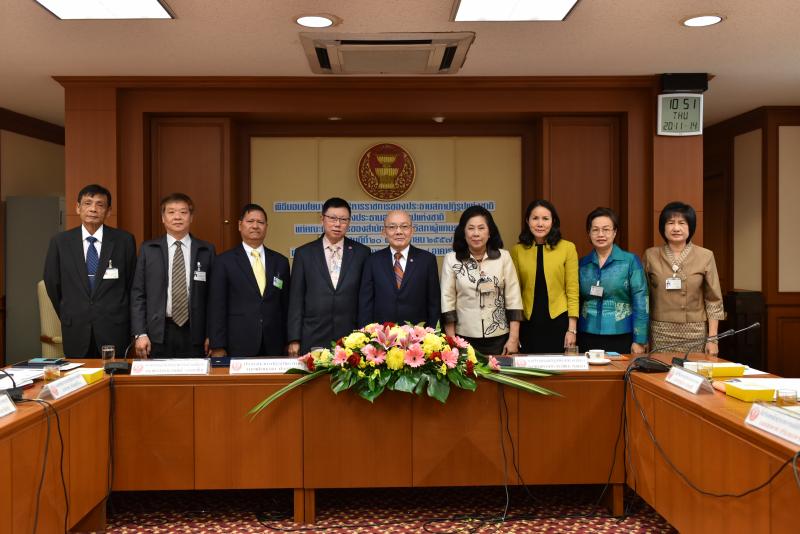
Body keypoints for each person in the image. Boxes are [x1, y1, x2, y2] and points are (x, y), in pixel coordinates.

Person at [43, 184, 137, 357]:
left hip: (114, 328)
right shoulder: (60, 242)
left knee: (114, 373)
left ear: (108, 211)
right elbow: (52, 283)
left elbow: (132, 284)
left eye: (100, 205)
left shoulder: (124, 241)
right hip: (76, 327)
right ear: (77, 207)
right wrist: (69, 311)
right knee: (79, 373)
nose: (93, 209)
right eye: (87, 203)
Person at [130, 193, 215, 358]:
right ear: (163, 218)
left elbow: (213, 297)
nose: (177, 217)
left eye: (183, 212)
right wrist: (140, 333)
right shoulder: (148, 249)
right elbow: (138, 294)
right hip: (158, 333)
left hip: (196, 333)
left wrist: (212, 334)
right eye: (171, 212)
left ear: (191, 217)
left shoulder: (206, 250)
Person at [287, 198, 370, 356]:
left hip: (351, 338)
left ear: (349, 222)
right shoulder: (304, 254)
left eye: (343, 219)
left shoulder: (362, 253)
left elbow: (365, 298)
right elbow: (296, 299)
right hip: (313, 335)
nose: (337, 224)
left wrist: (365, 335)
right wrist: (294, 339)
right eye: (332, 218)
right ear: (322, 219)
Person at [207, 204, 290, 357]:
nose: (255, 226)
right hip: (238, 343)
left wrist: (290, 340)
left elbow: (286, 306)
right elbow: (217, 306)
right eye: (250, 221)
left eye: (260, 222)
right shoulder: (223, 261)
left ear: (266, 227)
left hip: (274, 343)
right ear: (240, 225)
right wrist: (217, 344)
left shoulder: (280, 262)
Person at [643, 201, 724, 354]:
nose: (676, 228)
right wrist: (642, 337)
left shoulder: (705, 256)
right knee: (660, 369)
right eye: (670, 223)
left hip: (695, 331)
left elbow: (714, 300)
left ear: (690, 227)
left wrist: (713, 339)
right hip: (660, 331)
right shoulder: (651, 255)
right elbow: (643, 299)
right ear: (663, 227)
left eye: (682, 223)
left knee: (692, 369)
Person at [441, 205, 522, 355]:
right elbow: (447, 301)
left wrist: (513, 338)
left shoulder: (503, 257)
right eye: (471, 228)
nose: (476, 233)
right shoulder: (452, 260)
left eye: (481, 228)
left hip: (500, 337)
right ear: (463, 232)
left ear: (490, 232)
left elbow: (514, 299)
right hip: (464, 337)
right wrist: (451, 341)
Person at [577, 207, 648, 355]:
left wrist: (640, 339)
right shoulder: (582, 264)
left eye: (606, 229)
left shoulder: (630, 261)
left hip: (621, 334)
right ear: (589, 233)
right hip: (587, 334)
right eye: (595, 230)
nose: (600, 234)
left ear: (614, 232)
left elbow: (641, 301)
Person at [511, 200, 578, 354]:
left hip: (558, 322)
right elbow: (514, 294)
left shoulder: (567, 248)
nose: (540, 224)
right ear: (527, 221)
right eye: (535, 218)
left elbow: (573, 290)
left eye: (545, 219)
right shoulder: (517, 250)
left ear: (553, 221)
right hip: (528, 323)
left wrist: (572, 330)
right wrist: (514, 333)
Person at [358, 210, 440, 327]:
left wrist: (434, 333)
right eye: (392, 227)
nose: (399, 232)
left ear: (412, 230)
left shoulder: (427, 260)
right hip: (381, 334)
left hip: (418, 334)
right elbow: (365, 304)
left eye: (404, 226)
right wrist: (366, 333)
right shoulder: (372, 261)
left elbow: (434, 303)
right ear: (384, 232)